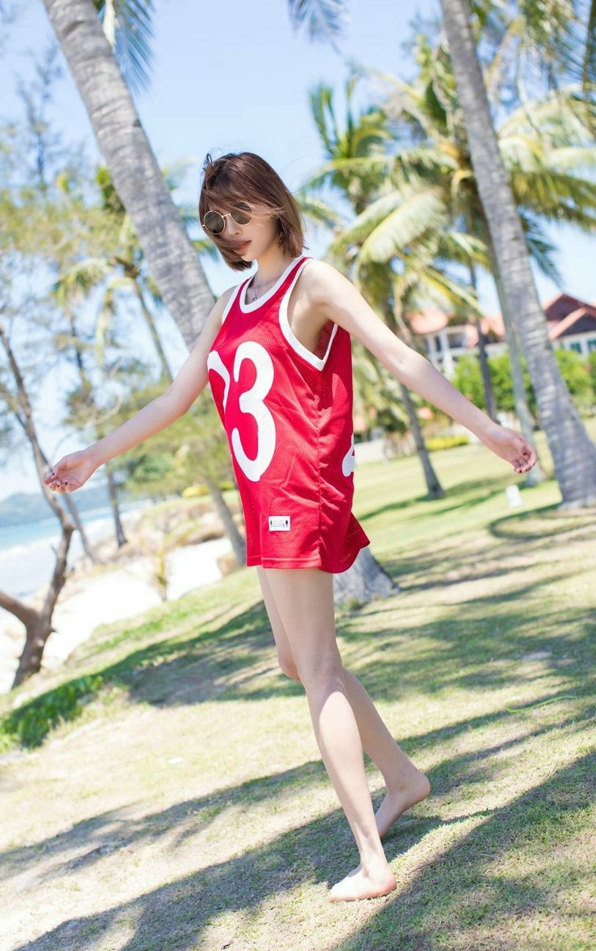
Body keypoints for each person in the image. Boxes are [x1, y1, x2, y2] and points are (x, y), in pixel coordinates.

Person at [43, 151, 537, 902]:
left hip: (300, 493)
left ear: (273, 203)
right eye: (216, 221)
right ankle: (403, 777)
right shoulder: (230, 302)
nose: (230, 230)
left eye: (240, 212)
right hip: (263, 499)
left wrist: (486, 428)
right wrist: (94, 455)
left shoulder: (313, 281)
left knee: (318, 667)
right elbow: (176, 398)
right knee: (296, 660)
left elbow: (401, 356)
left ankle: (372, 859)